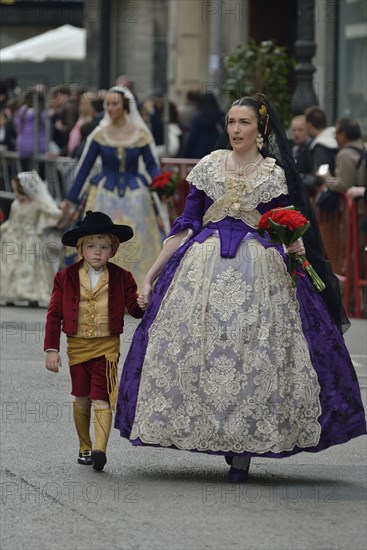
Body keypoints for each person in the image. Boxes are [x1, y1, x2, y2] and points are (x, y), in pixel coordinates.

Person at [114, 94, 366, 483]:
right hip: (202, 266)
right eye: (231, 121)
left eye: (244, 122)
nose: (235, 129)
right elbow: (185, 226)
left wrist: (294, 244)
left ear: (260, 130)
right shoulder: (209, 166)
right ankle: (208, 429)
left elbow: (287, 224)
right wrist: (149, 277)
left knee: (254, 351)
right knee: (199, 348)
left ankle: (243, 446)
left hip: (259, 268)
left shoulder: (273, 174)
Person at [44, 210, 145, 471]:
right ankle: (85, 446)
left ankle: (100, 450)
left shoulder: (123, 277)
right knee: (81, 397)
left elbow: (134, 309)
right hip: (76, 346)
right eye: (91, 246)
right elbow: (54, 314)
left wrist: (145, 303)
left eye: (103, 246)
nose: (97, 252)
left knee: (102, 397)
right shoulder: (64, 277)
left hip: (106, 347)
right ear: (80, 249)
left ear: (113, 250)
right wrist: (51, 349)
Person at [61, 86, 164, 288]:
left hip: (137, 197)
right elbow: (84, 167)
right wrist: (70, 198)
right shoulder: (100, 133)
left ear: (125, 107)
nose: (109, 107)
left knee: (136, 240)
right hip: (104, 195)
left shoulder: (140, 133)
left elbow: (152, 164)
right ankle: (100, 287)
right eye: (107, 103)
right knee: (102, 238)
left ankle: (136, 288)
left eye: (114, 103)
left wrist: (161, 185)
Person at [0, 171, 63, 307]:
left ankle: (33, 295)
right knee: (10, 265)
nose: (15, 194)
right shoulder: (15, 205)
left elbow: (52, 212)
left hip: (31, 239)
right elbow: (12, 222)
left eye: (16, 190)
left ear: (24, 189)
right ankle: (10, 293)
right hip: (14, 238)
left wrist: (59, 211)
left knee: (31, 267)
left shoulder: (36, 204)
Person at [181, 92, 225, 159]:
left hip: (199, 155)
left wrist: (185, 156)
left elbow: (192, 139)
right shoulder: (221, 117)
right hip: (217, 154)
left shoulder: (197, 118)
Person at [290, 115, 315, 196]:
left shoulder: (313, 148)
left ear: (308, 130)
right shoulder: (295, 149)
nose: (296, 133)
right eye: (294, 130)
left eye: (300, 130)